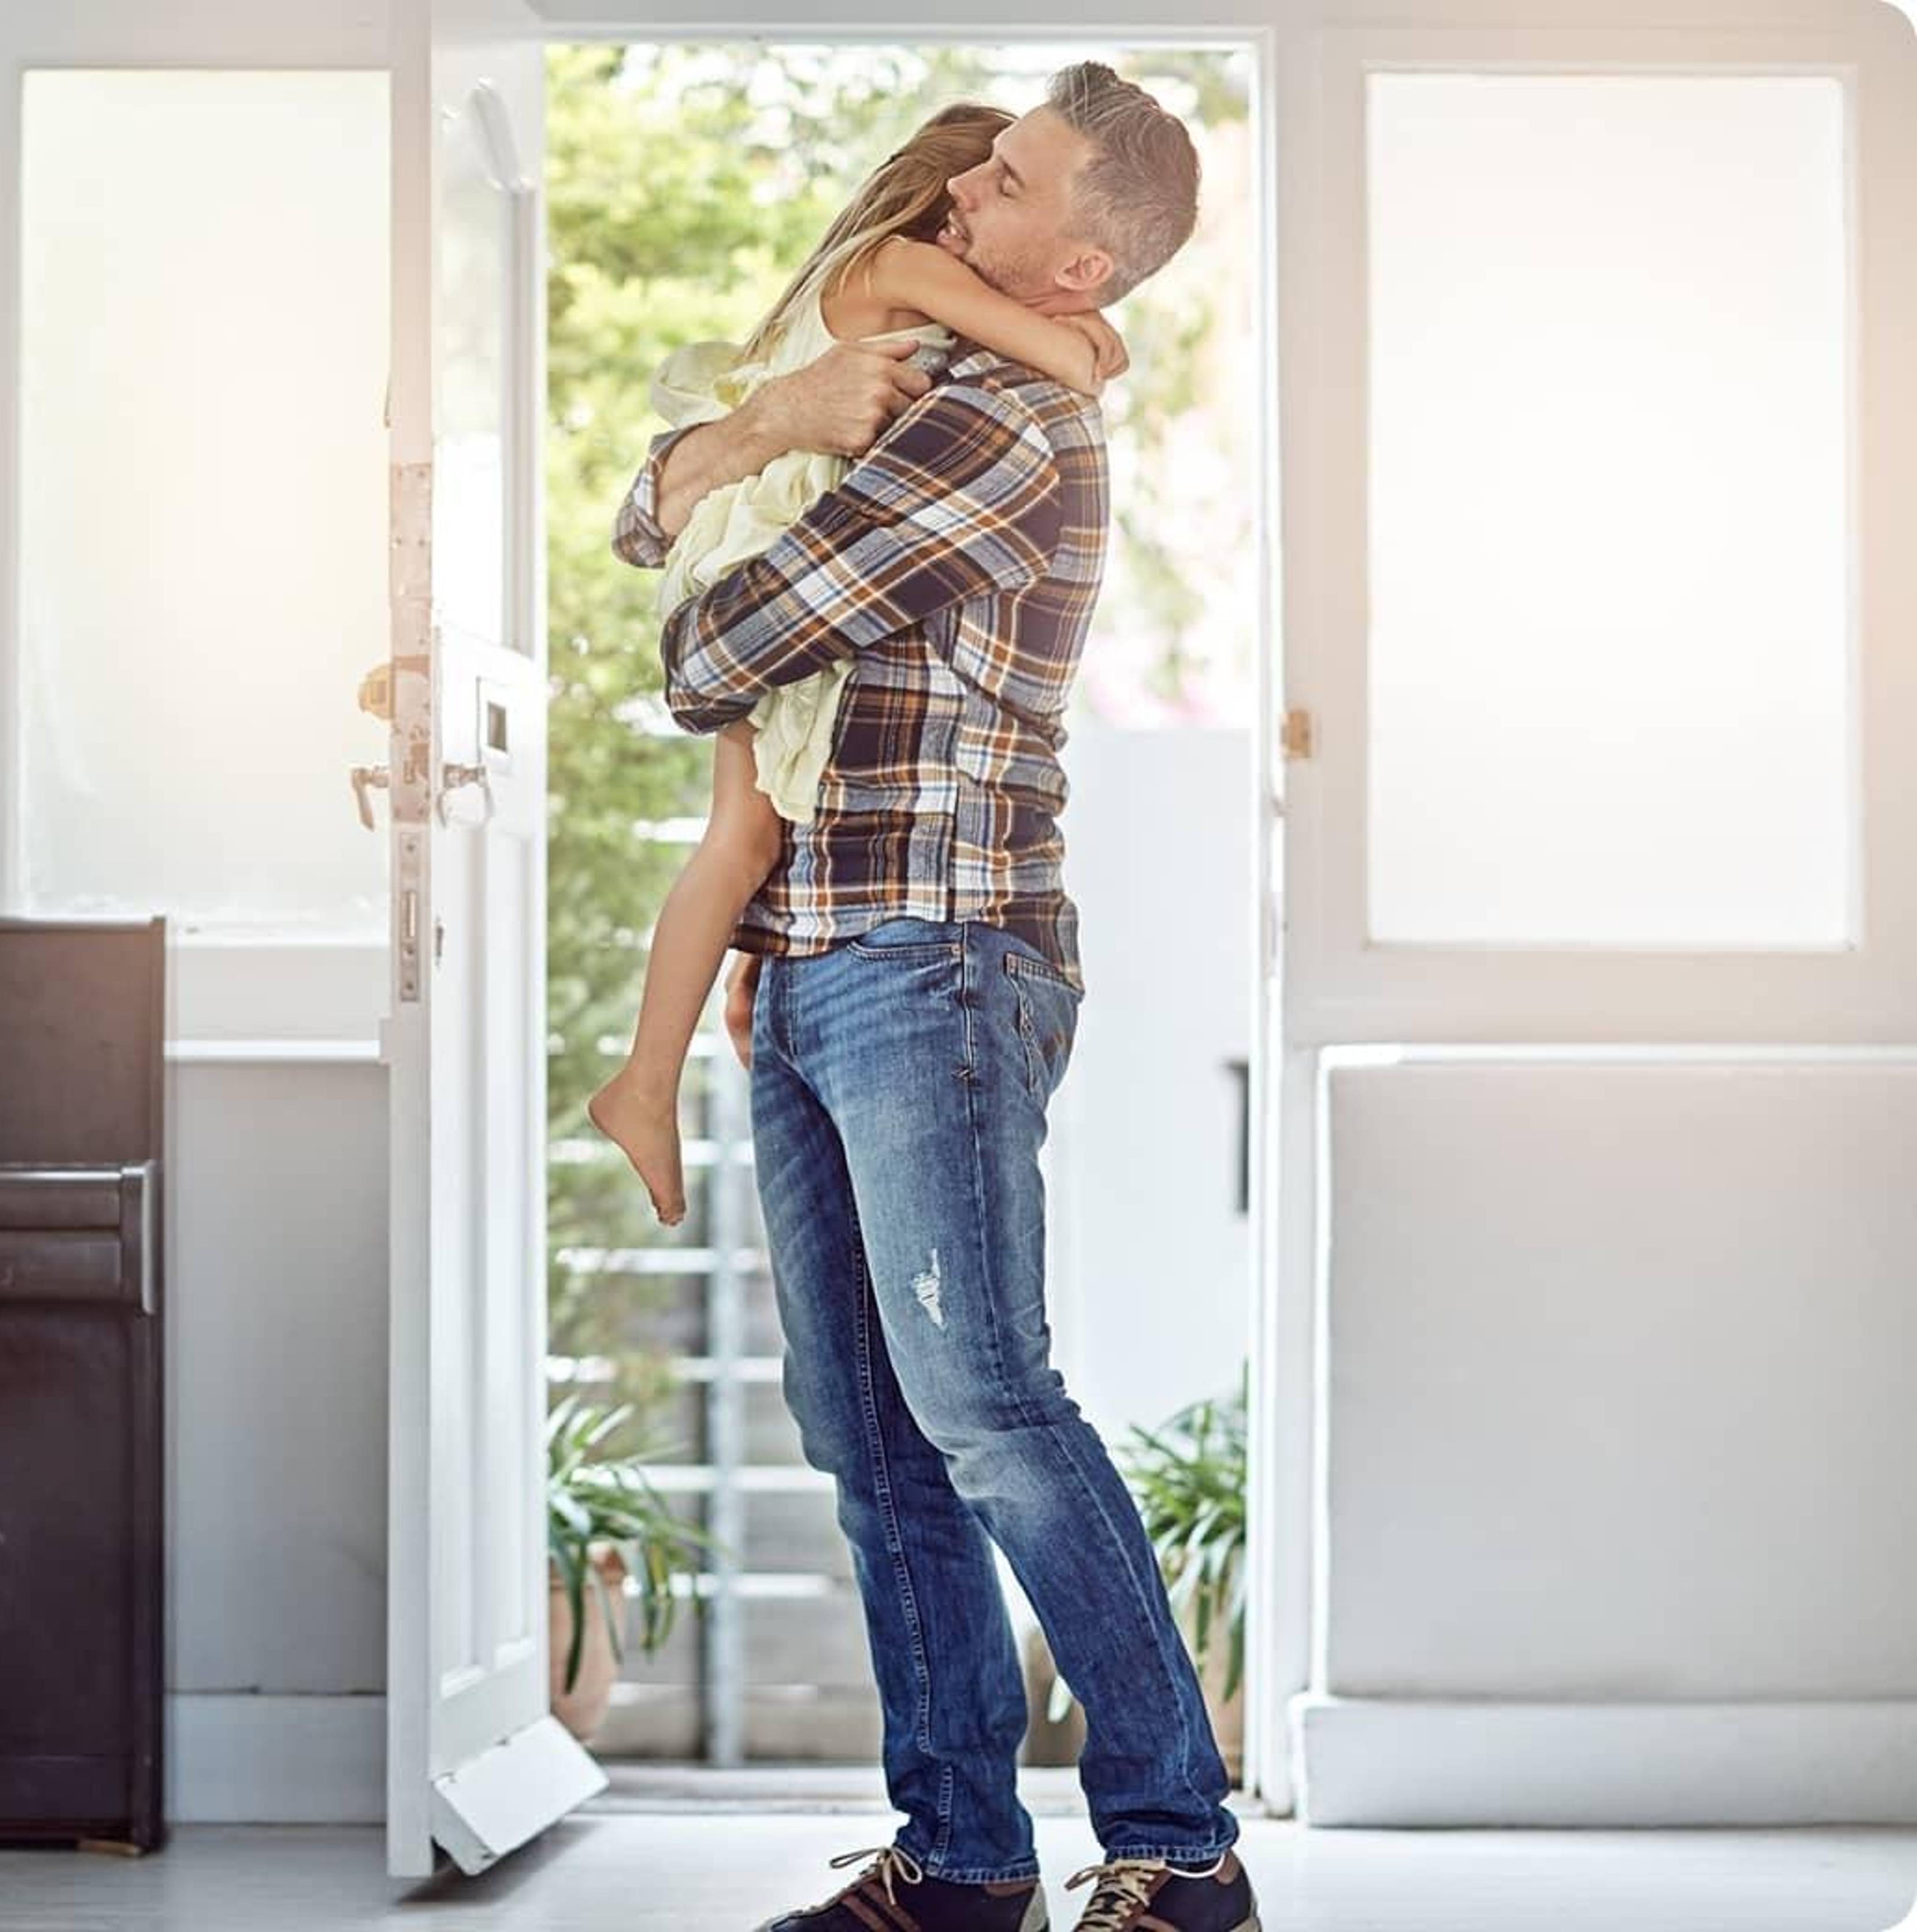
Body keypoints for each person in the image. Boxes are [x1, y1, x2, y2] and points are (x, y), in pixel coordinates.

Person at [609, 59, 1263, 1932]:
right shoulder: (914, 386)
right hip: (823, 964)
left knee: (982, 1396)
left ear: (1075, 262)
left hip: (939, 961)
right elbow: (676, 545)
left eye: (1011, 176)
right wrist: (755, 430)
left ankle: (1183, 1849)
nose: (968, 180)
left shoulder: (1001, 434)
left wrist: (748, 446)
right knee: (864, 1421)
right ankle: (965, 1857)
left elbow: (715, 640)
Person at [588, 100, 1129, 1228]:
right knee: (738, 832)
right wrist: (1079, 345)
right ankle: (642, 1084)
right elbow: (640, 530)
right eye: (978, 200)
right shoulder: (901, 262)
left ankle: (645, 1080)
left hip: (740, 553)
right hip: (745, 552)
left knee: (743, 839)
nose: (978, 227)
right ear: (943, 205)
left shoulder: (851, 290)